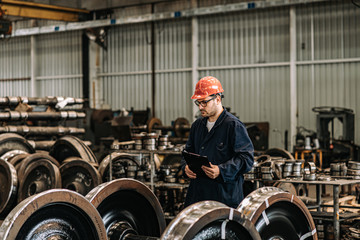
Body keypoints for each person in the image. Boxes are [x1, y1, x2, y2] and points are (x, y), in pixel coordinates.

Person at [182, 76, 254, 208]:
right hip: (198, 197)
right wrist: (185, 168)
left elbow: (247, 159)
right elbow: (187, 153)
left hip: (224, 198)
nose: (201, 107)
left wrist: (221, 170)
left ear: (218, 99)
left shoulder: (233, 126)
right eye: (198, 103)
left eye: (204, 102)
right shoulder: (197, 126)